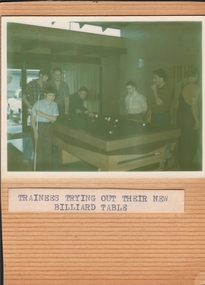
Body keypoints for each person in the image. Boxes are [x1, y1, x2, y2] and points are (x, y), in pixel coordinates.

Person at [22, 68, 50, 165]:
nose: (47, 78)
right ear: (41, 75)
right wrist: (31, 107)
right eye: (46, 76)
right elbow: (24, 96)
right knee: (33, 133)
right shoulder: (32, 84)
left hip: (43, 112)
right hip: (34, 112)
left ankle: (37, 156)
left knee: (39, 133)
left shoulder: (47, 85)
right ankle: (27, 156)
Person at [177, 67, 200, 171]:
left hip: (180, 116)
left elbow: (177, 104)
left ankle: (181, 165)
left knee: (183, 141)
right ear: (195, 76)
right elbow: (193, 106)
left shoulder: (180, 85)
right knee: (192, 141)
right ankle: (187, 167)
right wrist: (197, 121)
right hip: (189, 117)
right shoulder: (194, 87)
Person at [31, 86, 59, 171]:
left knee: (48, 152)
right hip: (38, 127)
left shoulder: (54, 104)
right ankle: (39, 174)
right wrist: (35, 132)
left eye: (53, 96)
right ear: (45, 94)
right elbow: (31, 119)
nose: (52, 98)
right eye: (50, 95)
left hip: (49, 128)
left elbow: (54, 119)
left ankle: (48, 173)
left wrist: (41, 114)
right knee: (39, 153)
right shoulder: (38, 103)